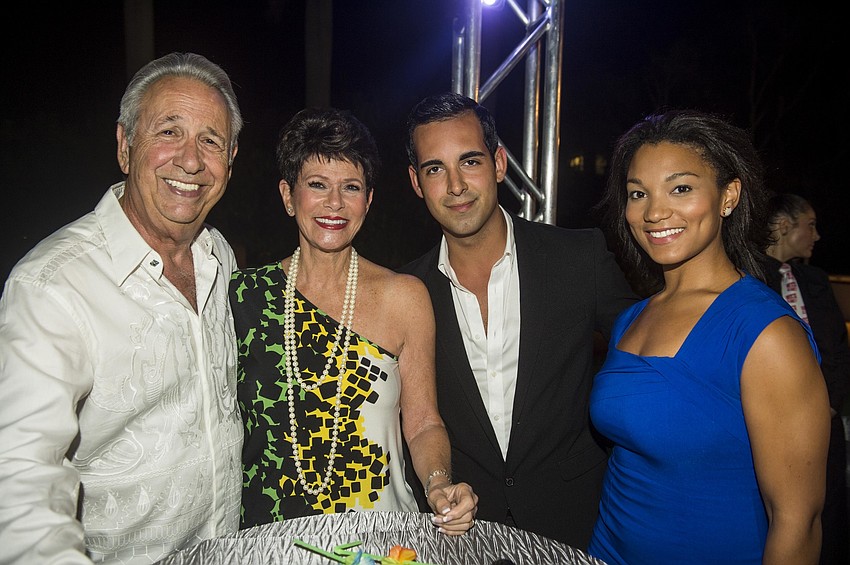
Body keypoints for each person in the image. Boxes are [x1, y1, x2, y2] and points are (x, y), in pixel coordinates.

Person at [0, 52, 244, 564]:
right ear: (125, 146)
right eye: (168, 132)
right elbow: (18, 482)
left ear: (231, 159)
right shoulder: (53, 286)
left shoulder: (217, 256)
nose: (191, 160)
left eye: (211, 140)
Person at [587, 109, 831, 564]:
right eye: (638, 193)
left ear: (728, 196)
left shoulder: (766, 333)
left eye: (681, 188)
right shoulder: (631, 318)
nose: (655, 212)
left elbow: (797, 522)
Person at [398, 92, 638, 548]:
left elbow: (647, 356)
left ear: (500, 164)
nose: (455, 185)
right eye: (435, 169)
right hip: (463, 536)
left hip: (578, 525)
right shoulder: (408, 289)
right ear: (416, 182)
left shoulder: (578, 258)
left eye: (469, 161)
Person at [230, 107, 478, 535]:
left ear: (369, 200)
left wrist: (439, 484)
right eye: (317, 185)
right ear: (289, 196)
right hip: (267, 542)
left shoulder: (405, 298)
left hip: (380, 538)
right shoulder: (244, 297)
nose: (334, 204)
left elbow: (422, 422)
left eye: (351, 187)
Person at [762, 192, 850, 565]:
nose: (816, 236)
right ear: (784, 226)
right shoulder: (745, 278)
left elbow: (838, 351)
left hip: (825, 426)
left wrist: (827, 404)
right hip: (770, 431)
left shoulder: (814, 279)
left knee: (827, 523)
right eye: (809, 225)